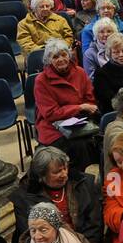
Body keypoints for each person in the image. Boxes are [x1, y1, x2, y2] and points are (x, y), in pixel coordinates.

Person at [11, 146, 104, 243]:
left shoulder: (85, 184)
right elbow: (30, 235)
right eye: (57, 172)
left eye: (65, 168)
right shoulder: (24, 198)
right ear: (42, 175)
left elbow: (95, 224)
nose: (64, 174)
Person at [35, 38, 102, 168]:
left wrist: (83, 109)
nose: (60, 59)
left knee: (96, 142)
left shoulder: (80, 72)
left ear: (69, 55)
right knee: (78, 147)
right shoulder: (41, 81)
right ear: (49, 60)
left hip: (80, 120)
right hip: (52, 126)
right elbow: (50, 113)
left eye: (64, 55)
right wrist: (79, 107)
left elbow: (90, 100)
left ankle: (93, 178)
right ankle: (78, 179)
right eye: (55, 57)